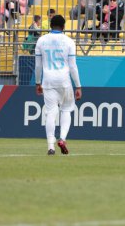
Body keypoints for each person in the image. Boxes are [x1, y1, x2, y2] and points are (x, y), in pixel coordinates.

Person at [35, 15, 82, 155]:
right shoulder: (69, 41)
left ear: (50, 25)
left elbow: (38, 66)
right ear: (63, 27)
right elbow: (73, 67)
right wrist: (78, 86)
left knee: (50, 113)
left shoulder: (41, 40)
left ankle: (50, 145)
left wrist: (38, 82)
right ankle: (62, 138)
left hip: (48, 81)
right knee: (66, 110)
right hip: (64, 81)